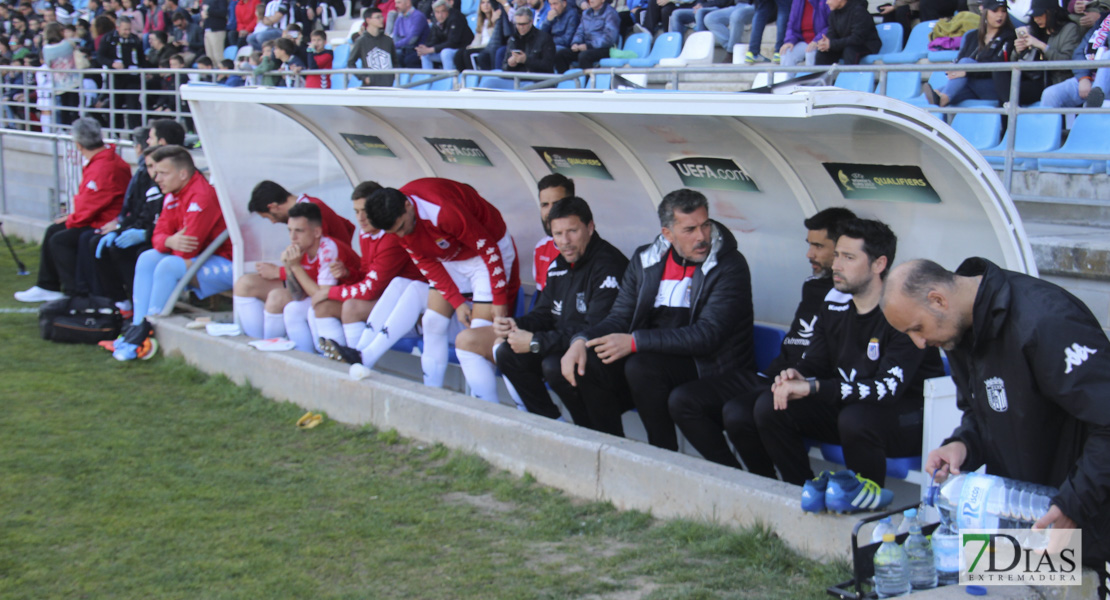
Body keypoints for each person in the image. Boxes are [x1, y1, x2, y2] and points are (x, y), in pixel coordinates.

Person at [881, 258, 1110, 570]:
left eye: (917, 328)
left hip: (1083, 513)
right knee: (973, 578)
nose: (919, 343)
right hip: (1021, 512)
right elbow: (983, 412)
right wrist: (962, 444)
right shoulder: (957, 329)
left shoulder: (1045, 319)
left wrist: (1074, 504)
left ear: (938, 300)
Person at [751, 219, 945, 498]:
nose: (836, 265)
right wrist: (797, 375)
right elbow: (815, 362)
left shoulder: (903, 313)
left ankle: (866, 507)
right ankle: (802, 493)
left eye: (849, 257)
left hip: (906, 421)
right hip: (852, 410)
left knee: (856, 418)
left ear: (879, 264)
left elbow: (886, 390)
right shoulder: (835, 305)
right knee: (771, 406)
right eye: (838, 255)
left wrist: (815, 387)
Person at [560, 189, 756, 447]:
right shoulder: (646, 260)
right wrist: (580, 341)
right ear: (668, 234)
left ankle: (661, 452)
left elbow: (707, 336)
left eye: (705, 225)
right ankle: (611, 451)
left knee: (641, 366)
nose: (702, 237)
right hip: (654, 362)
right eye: (689, 230)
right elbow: (620, 317)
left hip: (709, 364)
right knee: (589, 363)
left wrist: (634, 342)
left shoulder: (729, 264)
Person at [714, 207, 856, 477]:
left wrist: (800, 379)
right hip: (782, 374)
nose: (809, 254)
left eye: (818, 246)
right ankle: (763, 484)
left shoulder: (856, 298)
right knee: (725, 408)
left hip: (821, 390)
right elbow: (798, 342)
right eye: (809, 245)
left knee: (761, 409)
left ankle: (798, 488)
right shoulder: (813, 286)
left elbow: (831, 360)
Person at [365, 178, 521, 398]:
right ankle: (432, 395)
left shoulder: (441, 210)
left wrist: (499, 298)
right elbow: (428, 265)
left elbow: (489, 249)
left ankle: (486, 407)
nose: (401, 236)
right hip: (451, 256)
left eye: (401, 227)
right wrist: (457, 303)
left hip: (487, 250)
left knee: (477, 335)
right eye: (394, 232)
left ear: (408, 206)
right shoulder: (397, 223)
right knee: (432, 322)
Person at [494, 196, 628, 428]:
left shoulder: (608, 265)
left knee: (556, 365)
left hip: (605, 361)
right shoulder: (559, 265)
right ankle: (553, 426)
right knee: (507, 353)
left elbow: (594, 331)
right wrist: (514, 325)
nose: (564, 241)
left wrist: (536, 342)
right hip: (562, 347)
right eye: (557, 234)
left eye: (572, 231)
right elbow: (545, 313)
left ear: (590, 227)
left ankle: (597, 432)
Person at [122, 145, 233, 356]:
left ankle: (151, 328)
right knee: (147, 257)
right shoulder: (173, 193)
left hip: (225, 261)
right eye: (156, 173)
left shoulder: (201, 196)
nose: (157, 178)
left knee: (168, 265)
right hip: (200, 258)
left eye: (163, 173)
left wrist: (168, 242)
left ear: (182, 174)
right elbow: (158, 236)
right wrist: (170, 241)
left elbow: (187, 250)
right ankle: (138, 325)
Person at [314, 182, 429, 372]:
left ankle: (359, 365)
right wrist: (349, 274)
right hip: (385, 300)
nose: (360, 218)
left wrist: (331, 291)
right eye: (356, 211)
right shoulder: (367, 232)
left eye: (365, 211)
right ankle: (341, 362)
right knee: (323, 307)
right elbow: (367, 275)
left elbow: (371, 289)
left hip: (411, 311)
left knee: (351, 306)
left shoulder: (391, 236)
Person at [15, 118, 130, 303]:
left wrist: (71, 220)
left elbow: (91, 204)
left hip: (104, 222)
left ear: (77, 144)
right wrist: (72, 218)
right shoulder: (104, 161)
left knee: (60, 240)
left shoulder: (105, 166)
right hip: (100, 218)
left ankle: (76, 292)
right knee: (54, 230)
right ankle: (47, 285)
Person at [233, 180, 355, 340]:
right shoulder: (309, 206)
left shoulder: (312, 212)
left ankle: (265, 347)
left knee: (277, 298)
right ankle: (256, 345)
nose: (273, 222)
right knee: (245, 284)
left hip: (330, 284)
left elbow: (321, 263)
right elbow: (348, 226)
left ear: (273, 206)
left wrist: (280, 271)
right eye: (290, 230)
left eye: (269, 217)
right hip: (314, 278)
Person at [90, 131, 170, 315]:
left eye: (155, 166)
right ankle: (120, 302)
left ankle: (140, 308)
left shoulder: (170, 189)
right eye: (149, 166)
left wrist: (145, 234)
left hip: (164, 242)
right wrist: (121, 228)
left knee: (136, 253)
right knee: (101, 244)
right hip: (154, 235)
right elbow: (140, 214)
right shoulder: (149, 181)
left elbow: (175, 226)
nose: (154, 173)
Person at [277, 202, 364, 353]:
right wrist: (288, 266)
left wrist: (296, 267)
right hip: (335, 301)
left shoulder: (328, 249)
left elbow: (321, 296)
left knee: (315, 309)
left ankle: (334, 357)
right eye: (289, 230)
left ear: (317, 232)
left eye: (299, 231)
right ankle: (305, 358)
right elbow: (297, 296)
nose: (293, 237)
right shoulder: (301, 248)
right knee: (292, 309)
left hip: (358, 302)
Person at [923, 0, 1016, 107]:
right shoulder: (971, 36)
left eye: (1003, 11)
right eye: (995, 11)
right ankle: (941, 99)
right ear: (982, 9)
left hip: (994, 86)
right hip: (972, 85)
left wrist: (968, 72)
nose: (1000, 15)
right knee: (939, 96)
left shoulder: (1010, 36)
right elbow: (960, 60)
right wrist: (954, 69)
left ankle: (943, 97)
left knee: (965, 64)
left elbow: (997, 67)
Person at [1040, 11, 1110, 109]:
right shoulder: (1104, 19)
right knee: (1051, 94)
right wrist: (1084, 77)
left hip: (1107, 82)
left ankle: (1095, 97)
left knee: (1108, 55)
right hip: (1089, 77)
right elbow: (1079, 51)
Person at [96, 15, 146, 129]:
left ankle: (135, 134)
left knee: (133, 106)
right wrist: (112, 63)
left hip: (132, 78)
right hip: (115, 79)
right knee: (115, 107)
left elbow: (141, 57)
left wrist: (143, 70)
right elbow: (100, 56)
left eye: (129, 29)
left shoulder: (135, 39)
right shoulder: (108, 38)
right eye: (125, 29)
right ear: (117, 27)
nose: (127, 32)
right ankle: (115, 133)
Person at [532, 174, 572, 294]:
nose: (549, 212)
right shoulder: (541, 248)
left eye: (556, 204)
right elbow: (540, 298)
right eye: (545, 205)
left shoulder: (585, 248)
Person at [553, 0, 618, 72]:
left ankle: (587, 81)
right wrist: (575, 43)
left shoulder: (611, 13)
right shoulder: (586, 13)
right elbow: (580, 32)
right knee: (561, 54)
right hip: (586, 47)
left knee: (584, 56)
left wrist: (589, 46)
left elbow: (609, 38)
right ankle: (565, 82)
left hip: (603, 48)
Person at [814, 0, 880, 65]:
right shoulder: (833, 14)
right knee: (823, 52)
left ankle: (849, 75)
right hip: (844, 45)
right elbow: (832, 33)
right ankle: (820, 75)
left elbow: (857, 39)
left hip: (865, 45)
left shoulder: (859, 11)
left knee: (850, 51)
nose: (827, 2)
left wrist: (831, 44)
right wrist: (825, 43)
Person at [417, 0, 473, 70]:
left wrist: (431, 49)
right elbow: (434, 39)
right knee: (425, 55)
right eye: (437, 12)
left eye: (443, 11)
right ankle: (427, 79)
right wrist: (425, 48)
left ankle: (449, 78)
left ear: (448, 11)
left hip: (461, 48)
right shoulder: (436, 22)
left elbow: (453, 42)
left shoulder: (456, 18)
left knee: (445, 52)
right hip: (447, 48)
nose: (440, 15)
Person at [348, 7, 395, 86]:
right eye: (377, 17)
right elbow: (350, 62)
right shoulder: (361, 41)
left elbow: (395, 61)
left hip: (388, 86)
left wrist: (392, 77)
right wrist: (363, 78)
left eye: (382, 16)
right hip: (370, 87)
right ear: (368, 20)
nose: (381, 19)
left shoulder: (388, 40)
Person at [503, 5, 556, 72]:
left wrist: (526, 60)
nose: (521, 27)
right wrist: (509, 65)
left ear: (531, 22)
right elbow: (504, 66)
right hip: (516, 77)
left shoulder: (545, 38)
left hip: (536, 79)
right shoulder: (512, 39)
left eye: (524, 24)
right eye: (518, 24)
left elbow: (548, 66)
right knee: (490, 81)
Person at [778, 0, 829, 67]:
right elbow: (791, 24)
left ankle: (811, 77)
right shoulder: (797, 1)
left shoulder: (826, 2)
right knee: (786, 52)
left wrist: (817, 40)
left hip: (821, 41)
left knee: (810, 53)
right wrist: (789, 41)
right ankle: (787, 77)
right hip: (803, 41)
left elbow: (831, 26)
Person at [391, 0, 428, 68]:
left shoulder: (418, 16)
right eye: (396, 3)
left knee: (408, 59)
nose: (396, 6)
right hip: (403, 49)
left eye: (399, 2)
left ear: (408, 3)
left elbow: (412, 39)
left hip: (416, 49)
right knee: (394, 55)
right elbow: (395, 36)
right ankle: (399, 78)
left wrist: (393, 46)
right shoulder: (399, 17)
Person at [201, 0, 229, 64]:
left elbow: (223, 12)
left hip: (217, 30)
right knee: (210, 57)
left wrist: (209, 10)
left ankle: (222, 73)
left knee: (218, 57)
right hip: (207, 29)